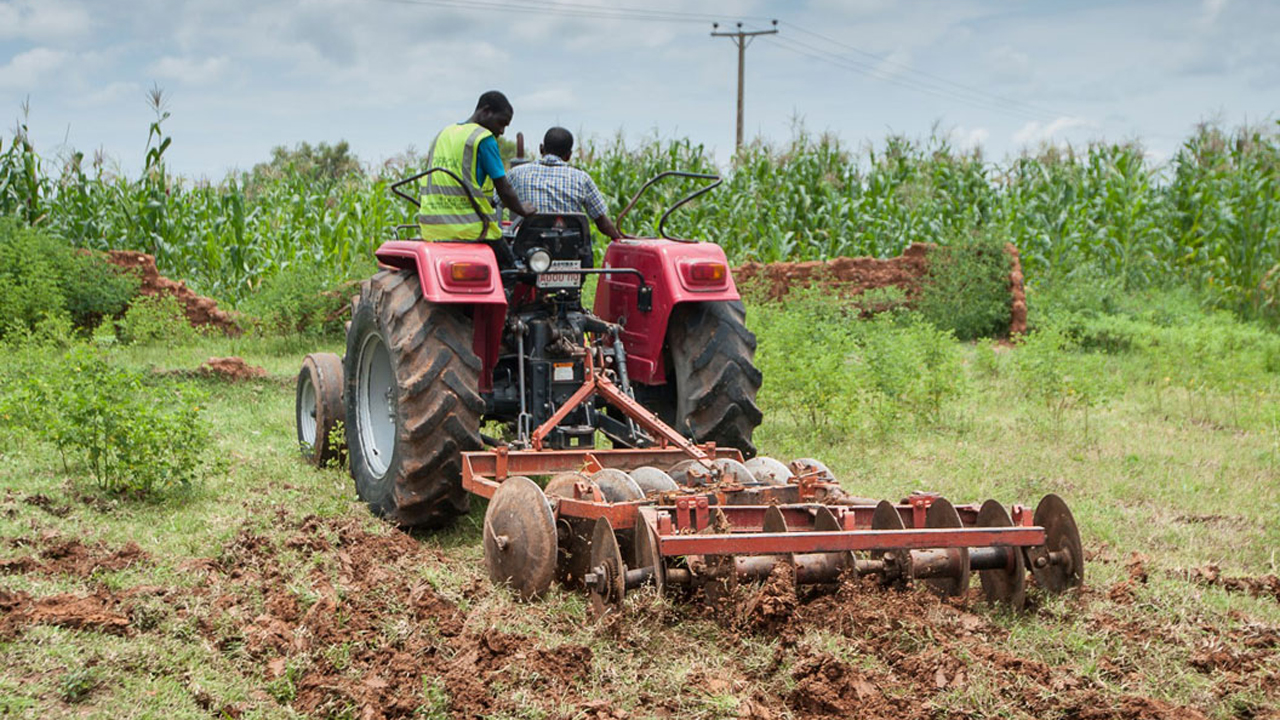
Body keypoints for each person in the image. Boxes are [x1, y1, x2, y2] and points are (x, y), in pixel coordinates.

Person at [417, 90, 535, 241]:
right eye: (501, 123)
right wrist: (522, 209)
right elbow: (504, 188)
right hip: (469, 229)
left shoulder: (443, 134)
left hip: (431, 229)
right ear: (486, 111)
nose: (502, 131)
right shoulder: (483, 138)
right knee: (512, 255)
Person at [506, 127, 623, 240]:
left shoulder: (517, 173)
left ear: (541, 149)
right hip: (572, 248)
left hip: (529, 248)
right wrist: (618, 237)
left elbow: (497, 202)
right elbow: (601, 221)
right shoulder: (582, 179)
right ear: (568, 156)